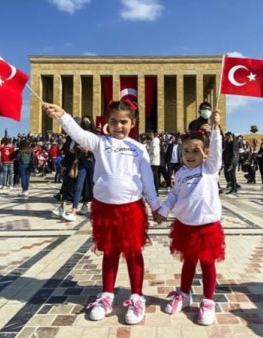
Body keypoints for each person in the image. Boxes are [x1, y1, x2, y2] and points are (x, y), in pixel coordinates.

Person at [43, 99, 161, 325]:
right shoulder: (99, 142)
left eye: (124, 122)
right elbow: (78, 134)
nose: (119, 126)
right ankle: (107, 295)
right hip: (105, 208)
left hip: (131, 208)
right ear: (107, 123)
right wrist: (62, 115)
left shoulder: (138, 148)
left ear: (133, 123)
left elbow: (146, 179)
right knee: (110, 252)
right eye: (114, 122)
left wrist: (155, 206)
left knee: (133, 251)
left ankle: (137, 296)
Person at [154, 111, 225, 326]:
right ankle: (184, 295)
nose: (190, 155)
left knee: (207, 264)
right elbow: (174, 194)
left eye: (195, 151)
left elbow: (217, 153)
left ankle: (208, 301)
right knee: (188, 262)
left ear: (205, 153)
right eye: (186, 151)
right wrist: (163, 211)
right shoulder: (182, 173)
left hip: (207, 226)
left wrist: (215, 129)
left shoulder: (209, 169)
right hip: (185, 225)